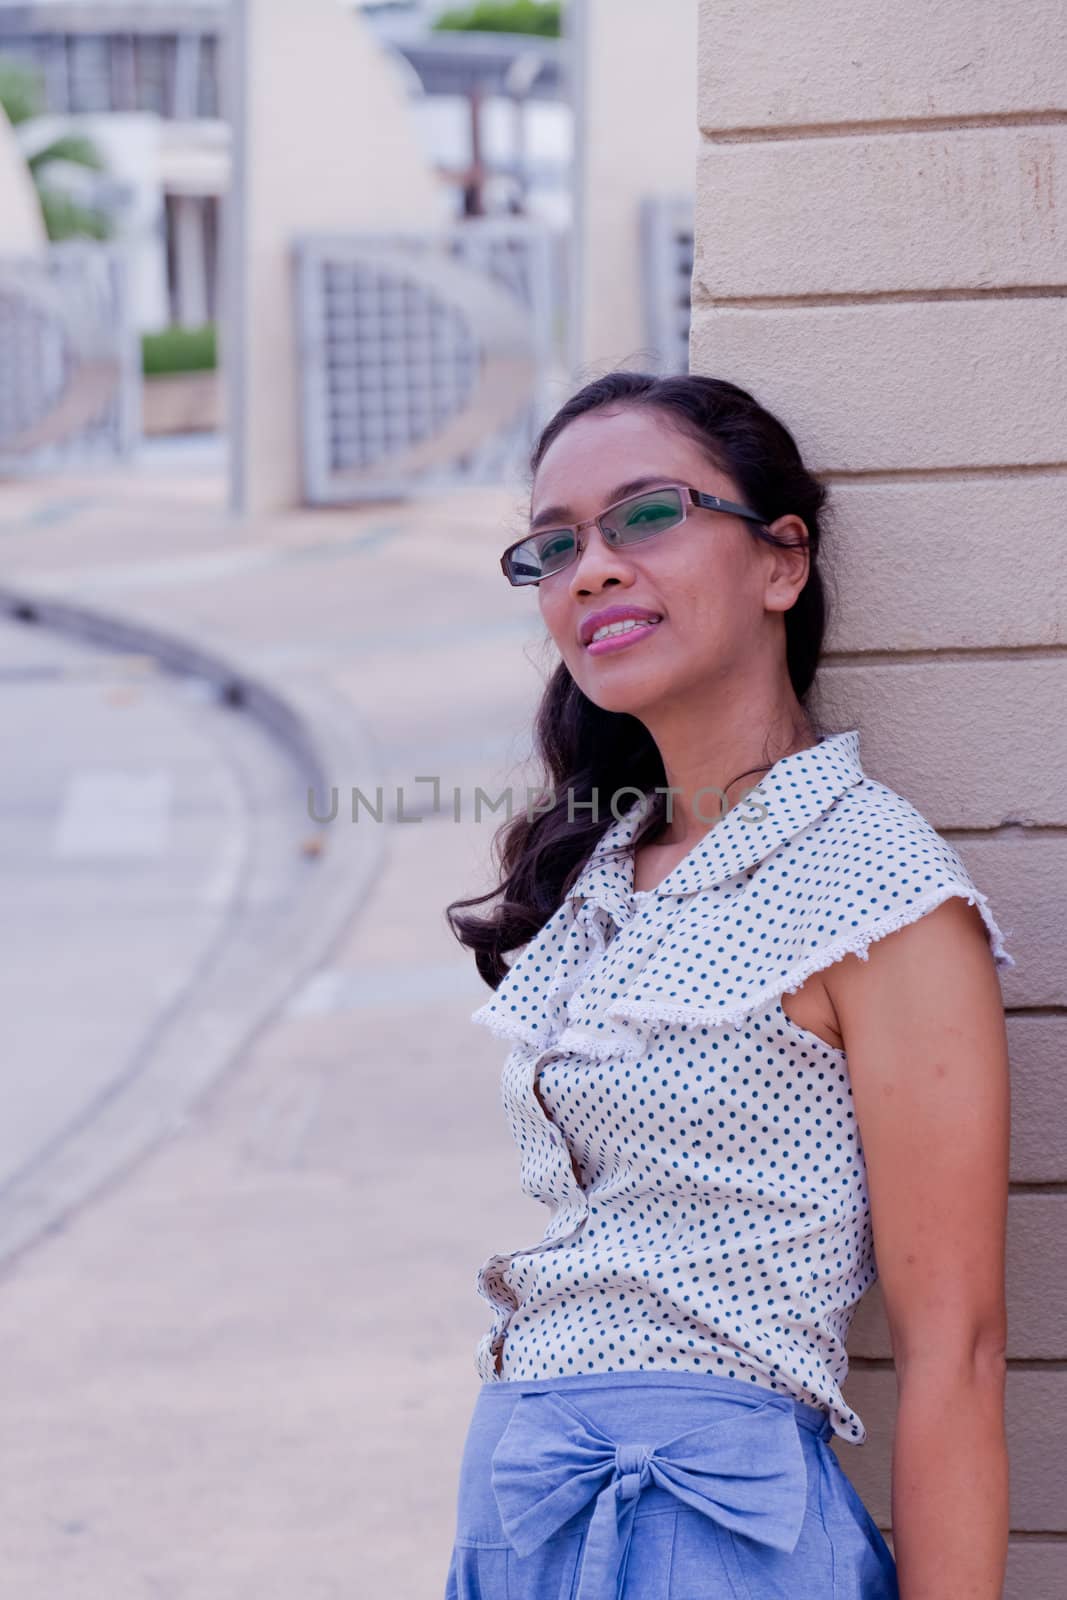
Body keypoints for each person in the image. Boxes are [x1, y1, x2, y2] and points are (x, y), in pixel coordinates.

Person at [444, 372, 1014, 1599]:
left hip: (716, 1533)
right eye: (554, 543)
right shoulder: (602, 872)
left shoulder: (876, 888)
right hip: (521, 1498)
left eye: (644, 516)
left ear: (780, 563)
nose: (588, 567)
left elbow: (954, 1353)